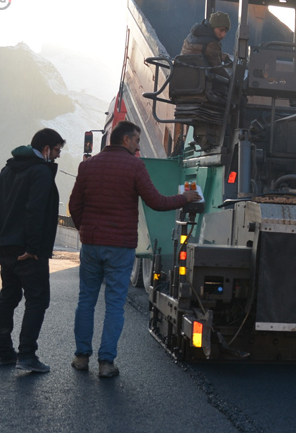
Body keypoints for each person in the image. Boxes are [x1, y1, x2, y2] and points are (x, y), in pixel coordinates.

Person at [68, 121, 201, 378]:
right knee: (114, 305)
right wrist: (184, 198)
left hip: (92, 243)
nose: (139, 147)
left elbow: (75, 205)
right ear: (126, 140)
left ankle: (81, 357)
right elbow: (156, 202)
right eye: (137, 141)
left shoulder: (87, 166)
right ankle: (106, 364)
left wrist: (86, 230)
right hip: (120, 247)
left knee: (86, 301)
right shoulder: (134, 167)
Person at [0, 128, 65, 373]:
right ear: (47, 149)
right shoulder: (41, 172)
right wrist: (32, 248)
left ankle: (4, 352)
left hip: (4, 248)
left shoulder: (8, 169)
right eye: (57, 150)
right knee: (37, 300)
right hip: (27, 251)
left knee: (8, 297)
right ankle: (27, 355)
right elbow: (35, 211)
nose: (58, 156)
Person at [180, 11, 230, 78]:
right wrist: (230, 80)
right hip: (199, 82)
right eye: (221, 30)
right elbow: (217, 69)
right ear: (213, 27)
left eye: (225, 32)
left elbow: (204, 51)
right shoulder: (212, 42)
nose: (223, 35)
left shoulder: (191, 36)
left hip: (182, 77)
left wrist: (222, 56)